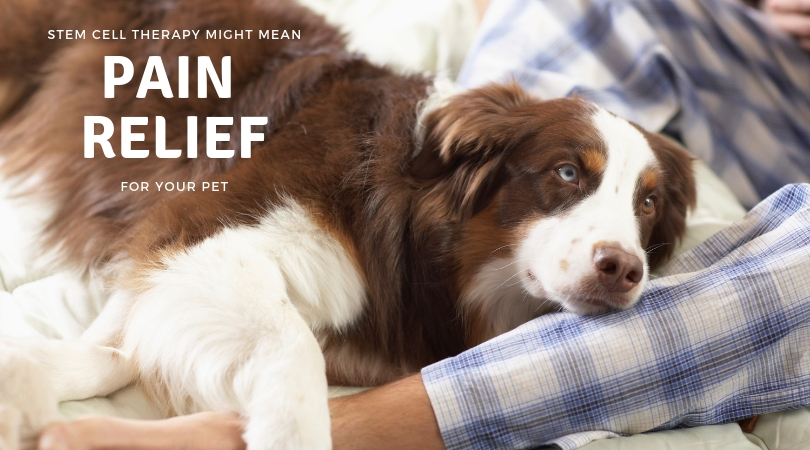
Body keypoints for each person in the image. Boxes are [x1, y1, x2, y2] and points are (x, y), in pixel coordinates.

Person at [33, 0, 810, 449]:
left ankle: (351, 429)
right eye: (572, 176)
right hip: (765, 53)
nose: (627, 252)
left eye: (641, 213)